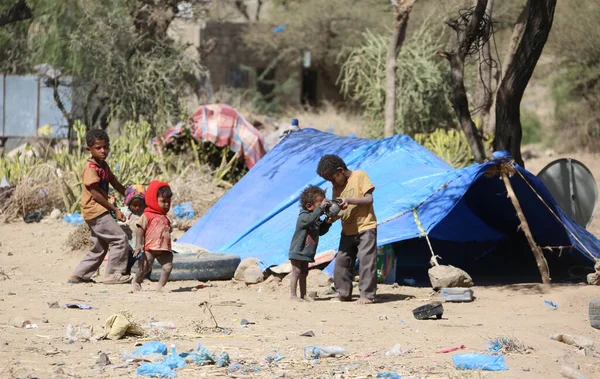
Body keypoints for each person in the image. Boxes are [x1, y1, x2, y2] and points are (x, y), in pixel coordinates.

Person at [68, 129, 132, 284]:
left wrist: (130, 196)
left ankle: (79, 275)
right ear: (89, 149)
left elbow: (115, 183)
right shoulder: (90, 168)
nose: (103, 151)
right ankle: (113, 274)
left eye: (105, 147)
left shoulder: (103, 165)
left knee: (101, 246)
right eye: (98, 148)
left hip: (97, 211)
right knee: (120, 238)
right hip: (96, 211)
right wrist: (115, 209)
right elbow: (95, 194)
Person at [317, 154, 377, 304]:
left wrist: (349, 200)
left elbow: (369, 199)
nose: (332, 182)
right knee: (342, 262)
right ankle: (343, 293)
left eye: (333, 177)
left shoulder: (360, 176)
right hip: (347, 230)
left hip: (365, 226)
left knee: (366, 261)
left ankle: (366, 295)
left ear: (341, 170)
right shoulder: (336, 187)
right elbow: (340, 210)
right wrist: (330, 215)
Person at [288, 185, 332, 301]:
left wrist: (327, 223)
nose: (323, 207)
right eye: (320, 204)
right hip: (298, 250)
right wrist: (320, 210)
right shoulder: (303, 217)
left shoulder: (315, 218)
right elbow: (311, 219)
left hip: (307, 252)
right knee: (296, 272)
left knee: (304, 273)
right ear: (309, 206)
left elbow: (320, 232)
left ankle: (303, 294)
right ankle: (293, 295)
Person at [132, 180, 174, 293]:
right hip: (150, 248)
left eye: (168, 202)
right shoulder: (147, 215)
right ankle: (136, 280)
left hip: (164, 248)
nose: (166, 204)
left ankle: (160, 286)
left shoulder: (166, 218)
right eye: (163, 201)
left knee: (168, 266)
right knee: (145, 267)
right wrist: (138, 244)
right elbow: (140, 229)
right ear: (154, 200)